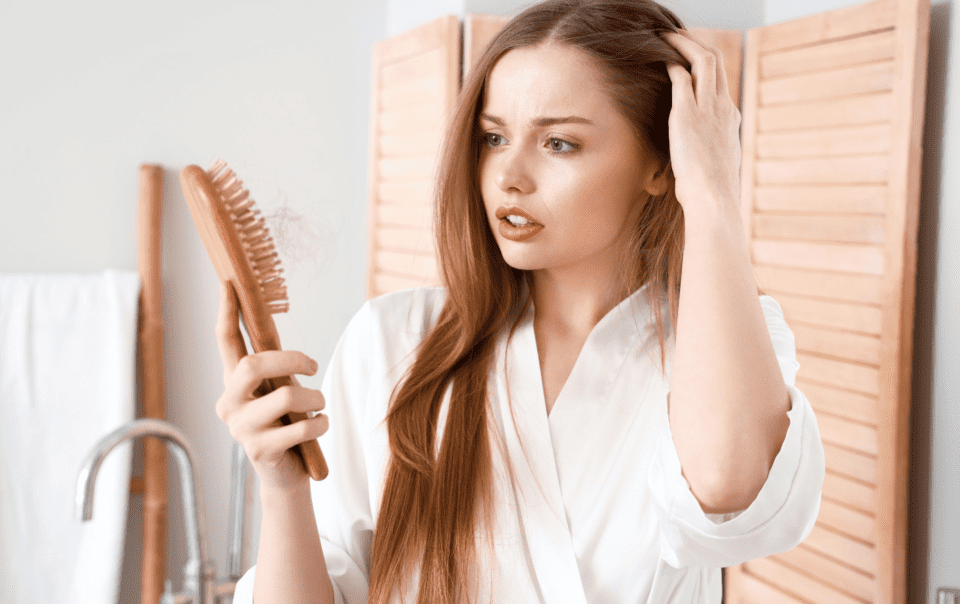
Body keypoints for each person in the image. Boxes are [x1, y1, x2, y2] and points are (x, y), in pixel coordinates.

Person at [222, 0, 825, 602]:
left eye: (559, 143)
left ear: (662, 164)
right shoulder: (394, 339)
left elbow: (728, 491)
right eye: (493, 137)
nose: (509, 175)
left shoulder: (718, 344)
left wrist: (713, 193)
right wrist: (281, 488)